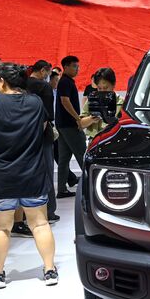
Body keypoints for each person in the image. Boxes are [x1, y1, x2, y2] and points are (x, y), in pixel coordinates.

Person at [0, 63, 58, 289]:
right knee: (40, 224)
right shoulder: (36, 102)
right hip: (34, 174)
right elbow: (44, 127)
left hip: (3, 175)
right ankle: (49, 270)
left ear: (2, 81)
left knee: (0, 228)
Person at [27, 60, 60, 223]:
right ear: (42, 71)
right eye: (47, 73)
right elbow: (46, 117)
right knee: (46, 172)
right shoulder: (44, 87)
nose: (48, 76)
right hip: (41, 136)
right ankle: (49, 211)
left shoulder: (22, 84)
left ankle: (30, 212)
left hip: (23, 135)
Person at [55, 56, 86, 198]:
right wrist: (77, 118)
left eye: (77, 66)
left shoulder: (64, 82)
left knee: (64, 159)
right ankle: (89, 187)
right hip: (69, 125)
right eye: (74, 66)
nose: (77, 69)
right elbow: (65, 101)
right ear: (66, 67)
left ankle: (61, 189)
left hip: (62, 125)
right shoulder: (66, 82)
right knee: (82, 155)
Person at [79, 67, 123, 141]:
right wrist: (91, 119)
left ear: (113, 85)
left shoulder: (121, 102)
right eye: (99, 88)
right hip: (93, 141)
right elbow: (80, 124)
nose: (102, 91)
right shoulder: (91, 100)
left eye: (105, 88)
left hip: (113, 141)